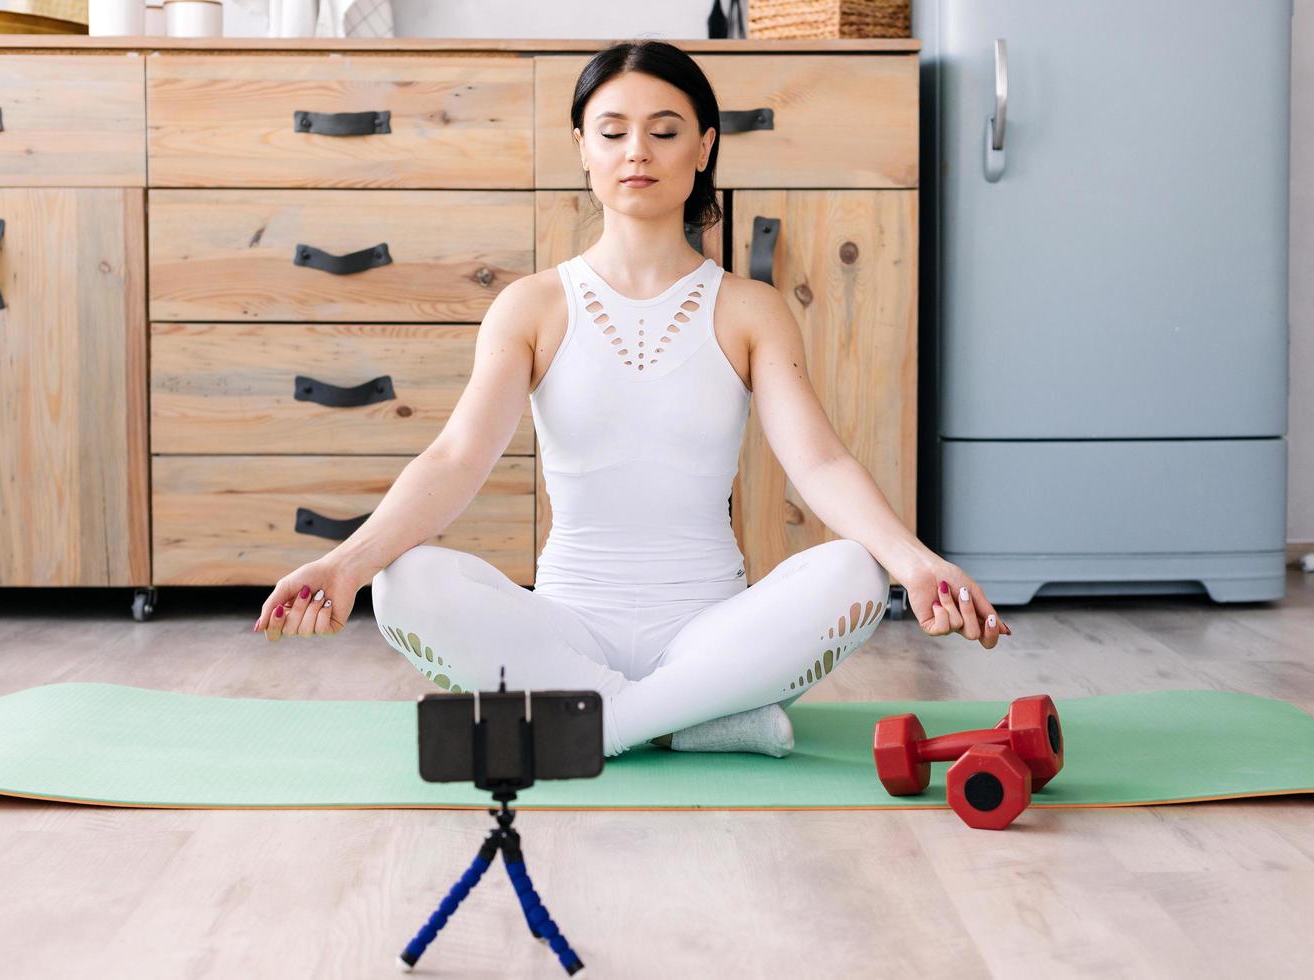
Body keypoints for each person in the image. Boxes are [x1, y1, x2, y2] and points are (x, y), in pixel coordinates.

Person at [251, 39, 1011, 759]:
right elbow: (455, 459)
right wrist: (346, 565)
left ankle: (599, 724)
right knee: (404, 582)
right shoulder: (532, 306)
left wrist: (915, 562)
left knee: (855, 571)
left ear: (705, 147)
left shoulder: (749, 309)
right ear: (582, 145)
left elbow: (820, 463)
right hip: (564, 635)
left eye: (664, 131)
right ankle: (690, 721)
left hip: (713, 634)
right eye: (611, 131)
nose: (636, 152)